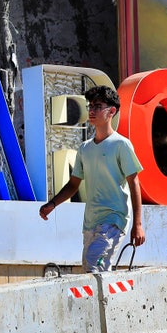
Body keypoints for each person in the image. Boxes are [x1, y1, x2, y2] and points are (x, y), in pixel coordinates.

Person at [39, 85, 144, 273]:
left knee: (95, 266)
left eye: (98, 106)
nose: (92, 110)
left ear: (112, 111)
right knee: (90, 269)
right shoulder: (85, 148)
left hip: (114, 219)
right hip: (90, 222)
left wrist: (138, 224)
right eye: (90, 106)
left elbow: (134, 182)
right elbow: (73, 184)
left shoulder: (121, 144)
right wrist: (52, 204)